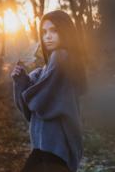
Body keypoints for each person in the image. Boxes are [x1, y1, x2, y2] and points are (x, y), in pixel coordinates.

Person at [11, 10, 87, 172]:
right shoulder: (47, 68)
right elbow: (30, 111)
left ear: (65, 32)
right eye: (44, 32)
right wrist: (21, 81)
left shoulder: (62, 58)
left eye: (54, 31)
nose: (48, 36)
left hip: (55, 150)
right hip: (44, 148)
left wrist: (25, 83)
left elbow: (38, 102)